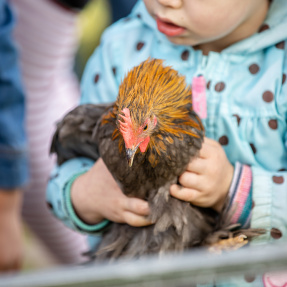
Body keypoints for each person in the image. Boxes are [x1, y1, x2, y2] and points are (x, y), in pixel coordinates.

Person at [47, 0, 287, 285]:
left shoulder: (280, 69)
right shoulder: (121, 48)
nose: (166, 1)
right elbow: (67, 165)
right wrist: (82, 194)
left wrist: (233, 188)